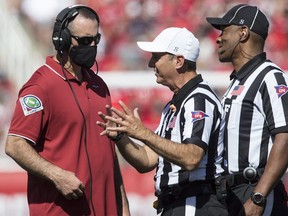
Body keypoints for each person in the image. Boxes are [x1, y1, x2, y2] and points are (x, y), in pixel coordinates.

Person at [5, 5, 130, 216]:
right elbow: (15, 144)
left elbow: (109, 153)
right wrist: (56, 175)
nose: (91, 46)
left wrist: (123, 207)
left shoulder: (99, 85)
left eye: (95, 40)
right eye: (83, 41)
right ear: (61, 40)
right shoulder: (40, 87)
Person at [97, 27, 228, 216]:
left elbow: (192, 157)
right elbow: (147, 160)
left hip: (195, 204)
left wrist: (143, 133)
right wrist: (121, 137)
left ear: (178, 61)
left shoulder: (199, 99)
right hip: (176, 204)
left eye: (156, 57)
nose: (151, 63)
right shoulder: (173, 106)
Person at [206, 4, 288, 216]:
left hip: (255, 190)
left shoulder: (270, 77)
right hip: (232, 193)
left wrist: (258, 197)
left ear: (243, 33)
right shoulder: (237, 82)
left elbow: (285, 137)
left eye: (224, 30)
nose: (218, 38)